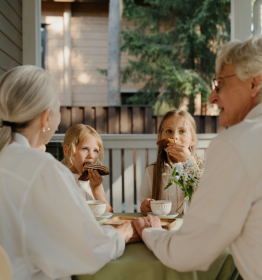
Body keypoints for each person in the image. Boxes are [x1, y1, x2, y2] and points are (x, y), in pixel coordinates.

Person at [133, 37, 262, 279]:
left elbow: (189, 253)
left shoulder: (235, 144)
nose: (213, 97)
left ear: (255, 83)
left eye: (220, 83)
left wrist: (151, 232)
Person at [0, 66, 138, 280]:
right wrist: (126, 232)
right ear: (46, 118)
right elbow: (88, 252)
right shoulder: (43, 169)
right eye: (59, 107)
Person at [139, 110, 202, 214]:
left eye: (182, 131)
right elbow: (144, 206)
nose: (174, 137)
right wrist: (145, 206)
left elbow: (208, 199)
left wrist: (190, 163)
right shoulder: (152, 171)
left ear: (193, 140)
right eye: (169, 131)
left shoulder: (202, 168)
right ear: (160, 138)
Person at [62, 124, 112, 212]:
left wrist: (96, 189)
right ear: (68, 151)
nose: (91, 155)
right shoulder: (60, 177)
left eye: (95, 150)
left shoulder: (94, 180)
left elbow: (109, 213)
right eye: (85, 149)